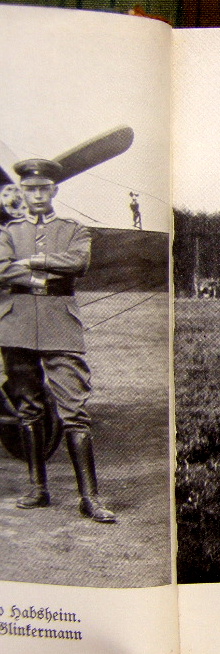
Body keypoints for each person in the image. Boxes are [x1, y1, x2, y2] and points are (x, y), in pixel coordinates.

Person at [0, 158, 116, 523]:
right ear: (22, 192)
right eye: (29, 189)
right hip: (15, 326)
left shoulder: (74, 229)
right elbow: (0, 267)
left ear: (54, 191)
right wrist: (45, 272)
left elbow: (79, 262)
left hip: (60, 326)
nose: (36, 195)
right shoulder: (7, 232)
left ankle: (90, 498)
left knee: (74, 410)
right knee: (28, 408)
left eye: (43, 188)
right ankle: (38, 489)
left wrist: (31, 261)